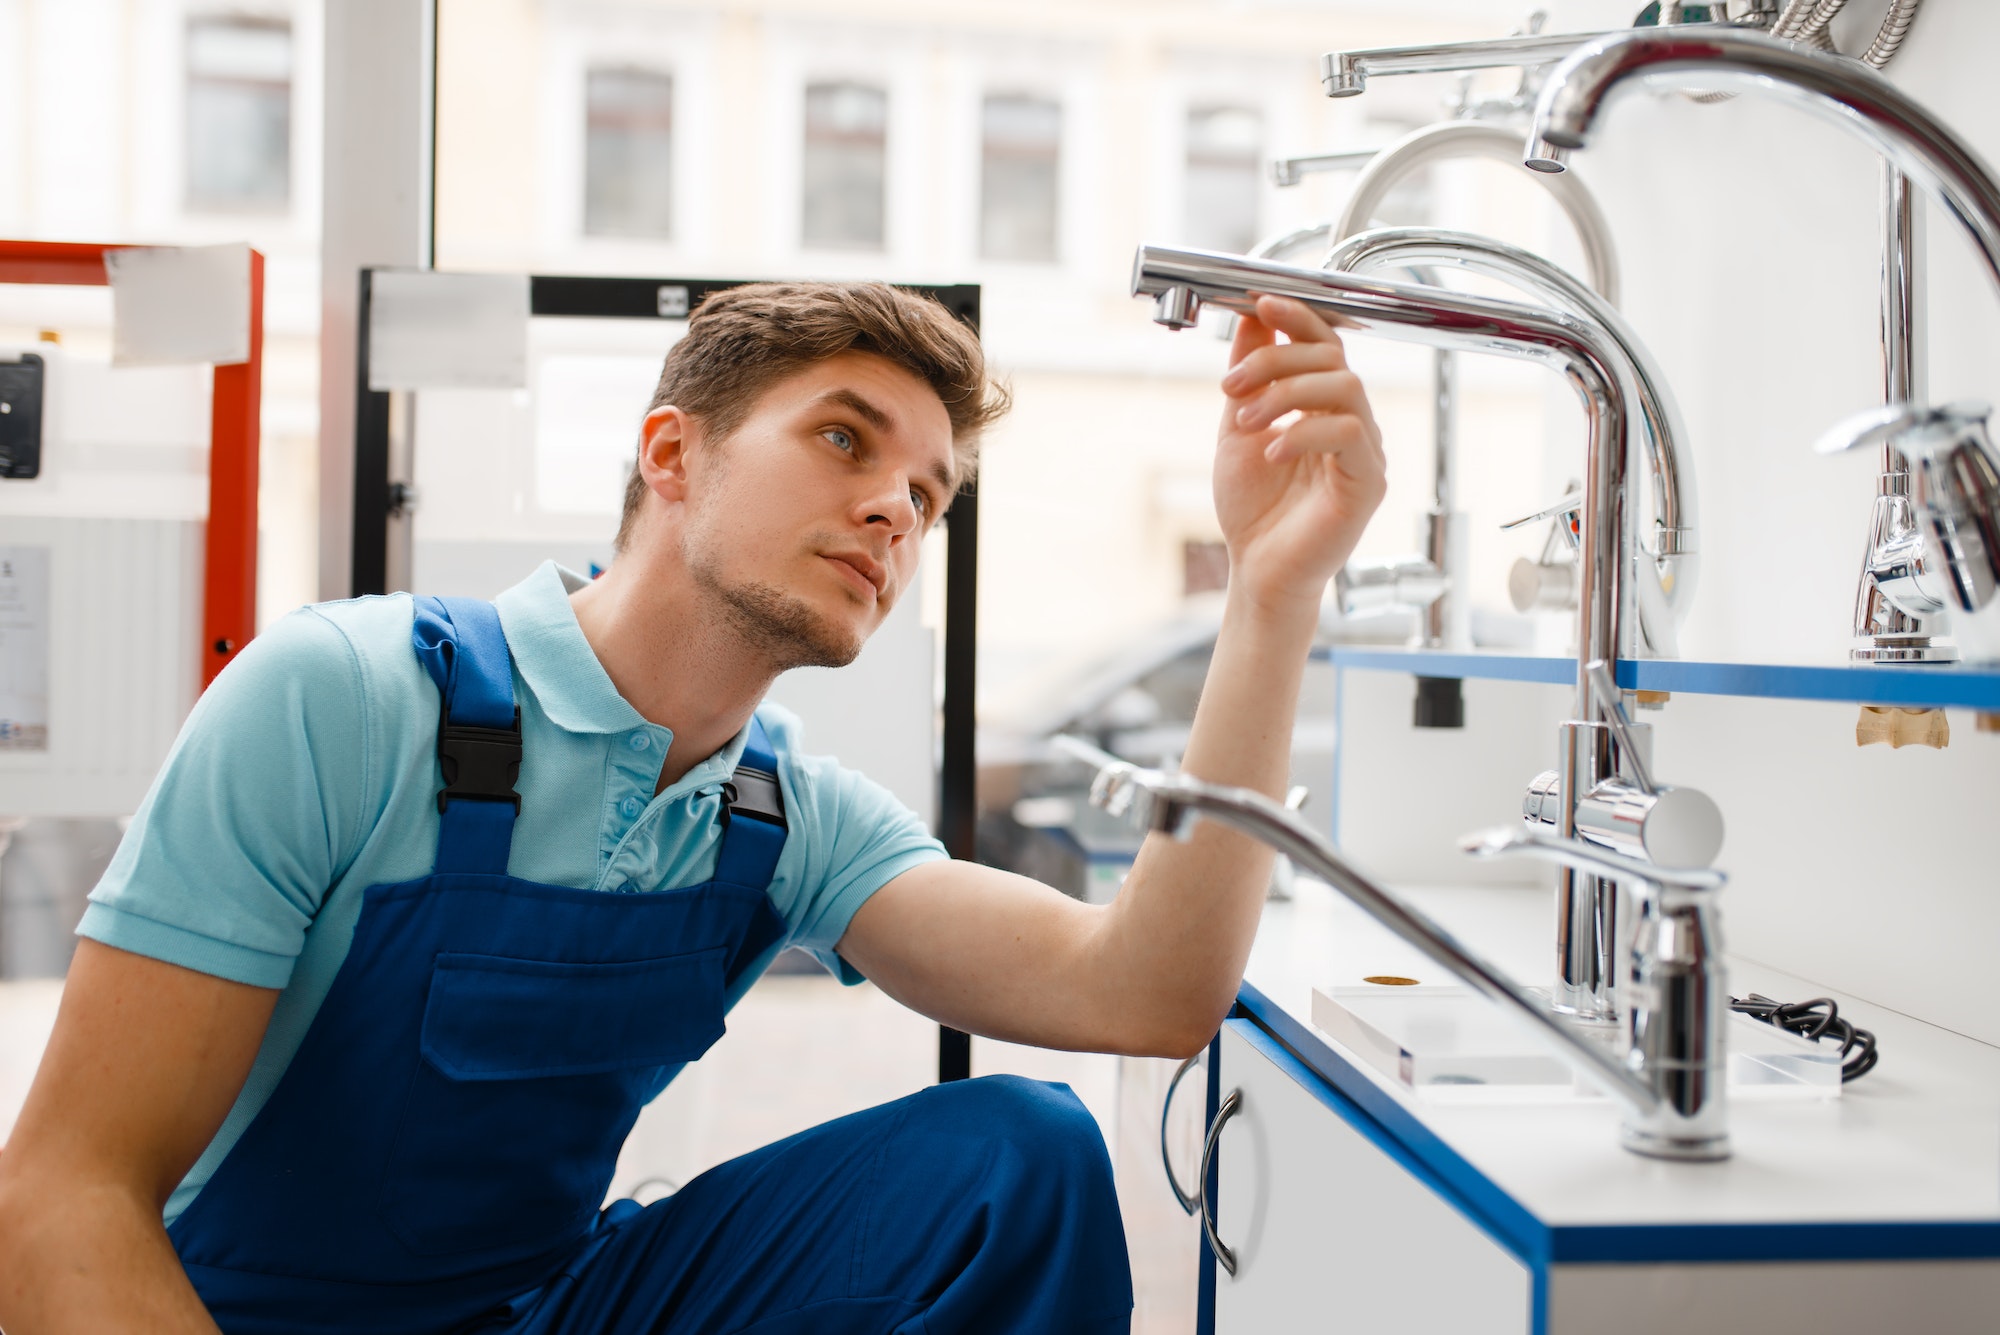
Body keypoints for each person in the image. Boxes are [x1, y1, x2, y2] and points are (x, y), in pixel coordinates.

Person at [0, 280, 1384, 1334]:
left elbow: (1142, 992)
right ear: (672, 455)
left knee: (1019, 1153)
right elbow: (65, 1194)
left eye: (928, 492)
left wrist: (1271, 592)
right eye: (845, 440)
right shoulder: (351, 699)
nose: (896, 509)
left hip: (543, 1306)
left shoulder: (781, 816)